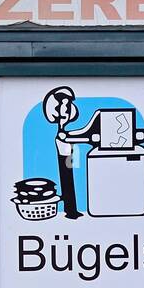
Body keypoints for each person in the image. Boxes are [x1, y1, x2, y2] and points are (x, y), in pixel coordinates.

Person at [43, 86, 88, 219]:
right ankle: (70, 209)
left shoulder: (67, 113)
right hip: (65, 150)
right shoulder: (59, 123)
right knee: (67, 175)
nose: (66, 110)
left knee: (70, 173)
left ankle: (72, 208)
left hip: (69, 150)